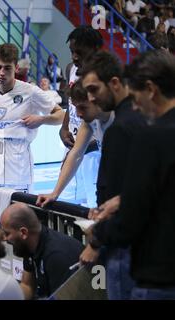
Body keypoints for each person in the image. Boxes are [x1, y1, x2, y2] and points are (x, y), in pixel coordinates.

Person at [81, 50, 175, 300]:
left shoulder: (146, 134)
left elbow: (134, 214)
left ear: (151, 90)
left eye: (136, 97)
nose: (135, 105)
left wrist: (97, 236)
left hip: (155, 270)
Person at [77, 50, 147, 300]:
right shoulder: (146, 120)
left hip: (124, 249)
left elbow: (118, 199)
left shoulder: (121, 129)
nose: (92, 98)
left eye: (95, 90)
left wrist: (96, 240)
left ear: (115, 83)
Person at [0, 43, 63, 191]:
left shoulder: (30, 91)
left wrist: (41, 119)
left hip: (19, 168)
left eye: (7, 68)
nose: (2, 73)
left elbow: (61, 115)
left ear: (16, 68)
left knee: (19, 213)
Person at [36, 81, 113, 208]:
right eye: (75, 107)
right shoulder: (89, 121)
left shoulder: (122, 122)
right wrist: (55, 193)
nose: (77, 114)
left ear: (96, 100)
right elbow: (76, 153)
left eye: (82, 107)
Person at [59, 25, 104, 207]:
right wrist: (63, 128)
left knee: (94, 208)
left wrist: (82, 147)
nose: (74, 56)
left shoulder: (104, 77)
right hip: (73, 147)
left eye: (79, 52)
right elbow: (71, 104)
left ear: (94, 50)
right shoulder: (71, 68)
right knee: (67, 205)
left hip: (94, 152)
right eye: (72, 51)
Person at [0, 202, 83, 299]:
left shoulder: (57, 256)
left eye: (7, 233)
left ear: (23, 232)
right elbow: (27, 286)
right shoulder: (29, 245)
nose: (4, 238)